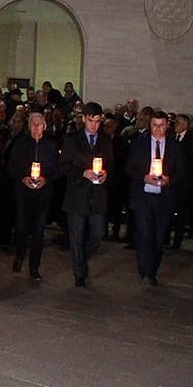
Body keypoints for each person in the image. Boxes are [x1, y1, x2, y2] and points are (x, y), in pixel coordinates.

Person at [124, 110, 183, 286]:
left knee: (158, 235)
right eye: (155, 125)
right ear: (150, 125)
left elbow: (182, 170)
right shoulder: (139, 144)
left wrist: (169, 180)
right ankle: (145, 269)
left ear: (167, 126)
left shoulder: (175, 146)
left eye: (161, 125)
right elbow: (129, 168)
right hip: (143, 196)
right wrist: (144, 177)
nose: (158, 129)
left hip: (163, 197)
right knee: (144, 233)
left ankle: (152, 269)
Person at [61, 102, 114, 287]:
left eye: (98, 121)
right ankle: (79, 273)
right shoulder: (71, 139)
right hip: (78, 194)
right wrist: (82, 172)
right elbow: (64, 165)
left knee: (98, 233)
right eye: (91, 121)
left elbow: (111, 163)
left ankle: (81, 259)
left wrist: (106, 173)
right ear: (84, 119)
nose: (94, 125)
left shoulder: (105, 140)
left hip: (98, 194)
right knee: (76, 235)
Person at [7, 111, 60, 281]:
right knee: (21, 227)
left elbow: (58, 169)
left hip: (43, 194)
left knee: (38, 230)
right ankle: (20, 255)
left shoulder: (51, 145)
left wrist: (46, 179)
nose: (36, 127)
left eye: (39, 124)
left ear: (45, 126)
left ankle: (34, 266)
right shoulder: (21, 144)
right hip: (24, 192)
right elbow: (11, 166)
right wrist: (23, 178)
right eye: (33, 124)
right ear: (29, 126)